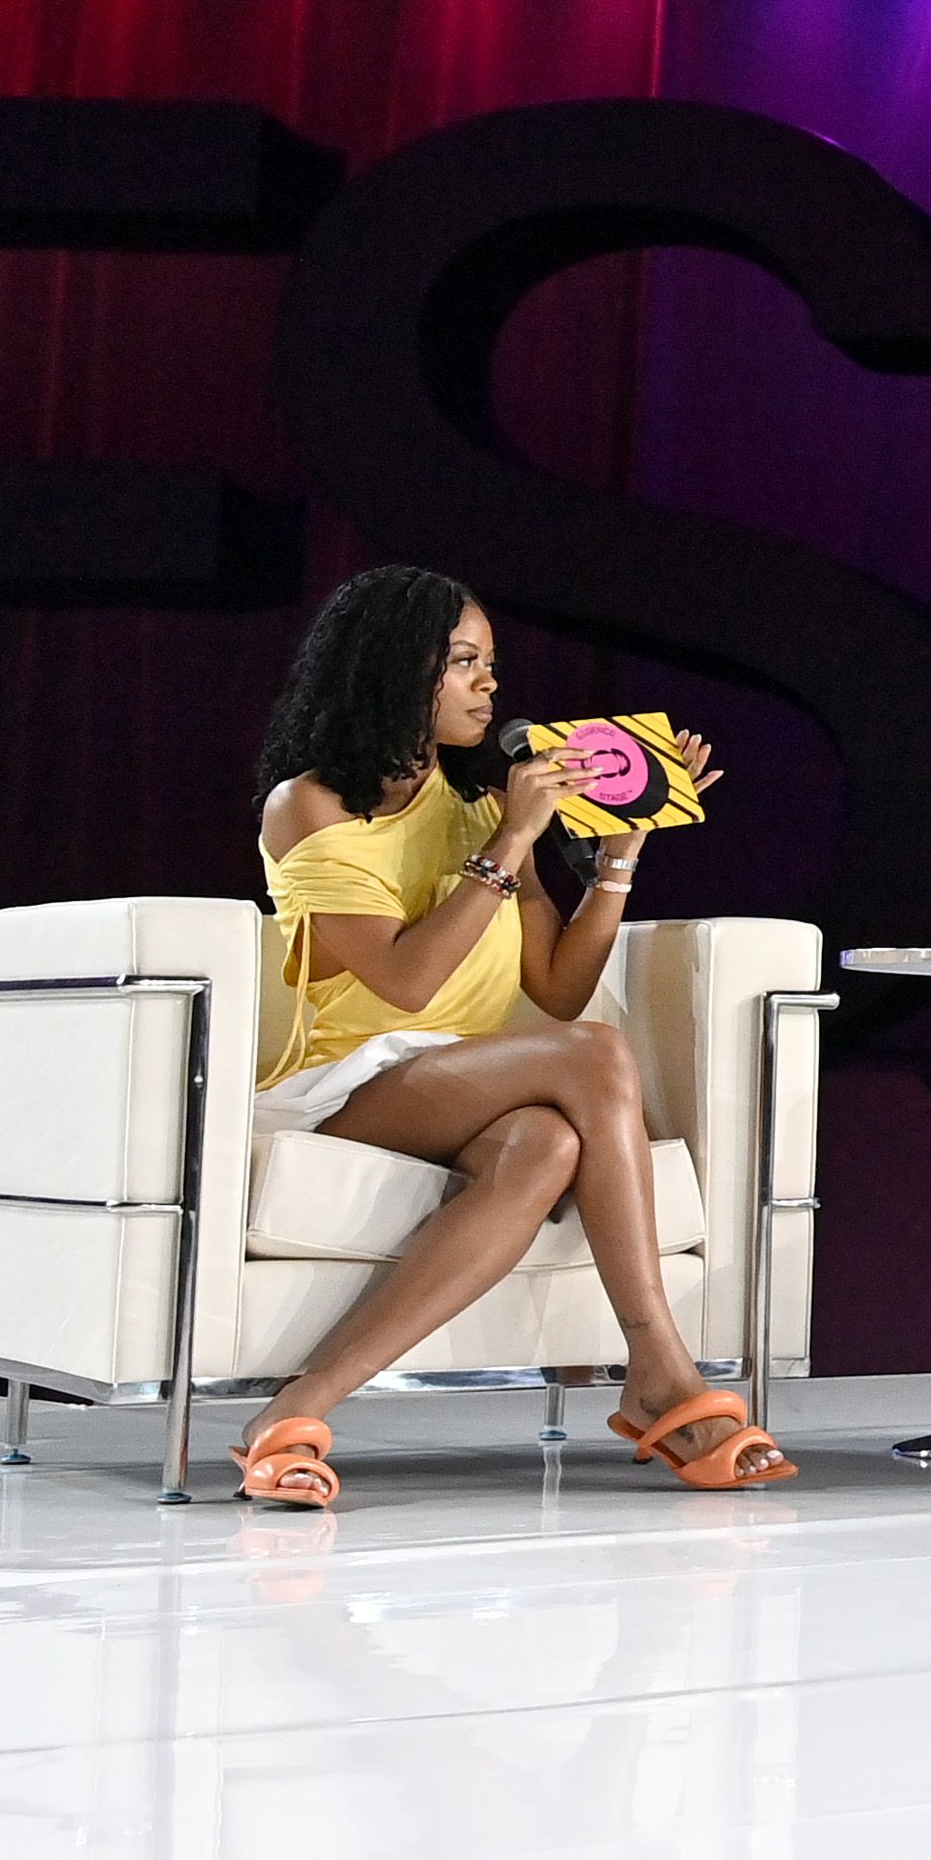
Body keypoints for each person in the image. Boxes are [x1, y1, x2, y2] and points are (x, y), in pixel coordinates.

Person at [236, 565, 782, 1507]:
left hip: (468, 1082)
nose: (489, 683)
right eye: (462, 662)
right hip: (350, 1082)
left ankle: (294, 1412)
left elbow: (559, 991)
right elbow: (406, 984)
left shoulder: (483, 809)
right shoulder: (310, 804)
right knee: (599, 1055)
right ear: (396, 669)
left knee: (546, 1143)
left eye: (490, 662)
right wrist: (511, 842)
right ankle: (658, 1364)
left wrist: (619, 855)